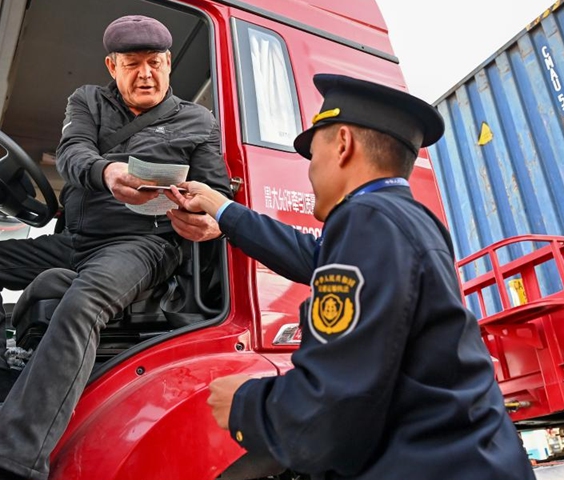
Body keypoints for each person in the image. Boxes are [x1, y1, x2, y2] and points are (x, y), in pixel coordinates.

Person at [165, 73, 535, 479]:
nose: (310, 171)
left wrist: (244, 404)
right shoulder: (403, 218)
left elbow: (336, 395)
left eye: (313, 155)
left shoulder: (368, 220)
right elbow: (313, 256)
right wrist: (223, 209)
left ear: (343, 144)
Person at [0, 15, 231, 480]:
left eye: (155, 63)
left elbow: (216, 192)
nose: (146, 74)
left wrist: (208, 223)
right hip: (76, 240)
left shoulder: (197, 120)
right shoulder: (86, 100)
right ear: (112, 66)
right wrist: (107, 173)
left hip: (144, 244)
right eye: (133, 64)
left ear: (168, 64)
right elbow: (72, 152)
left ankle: (16, 460)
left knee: (84, 301)